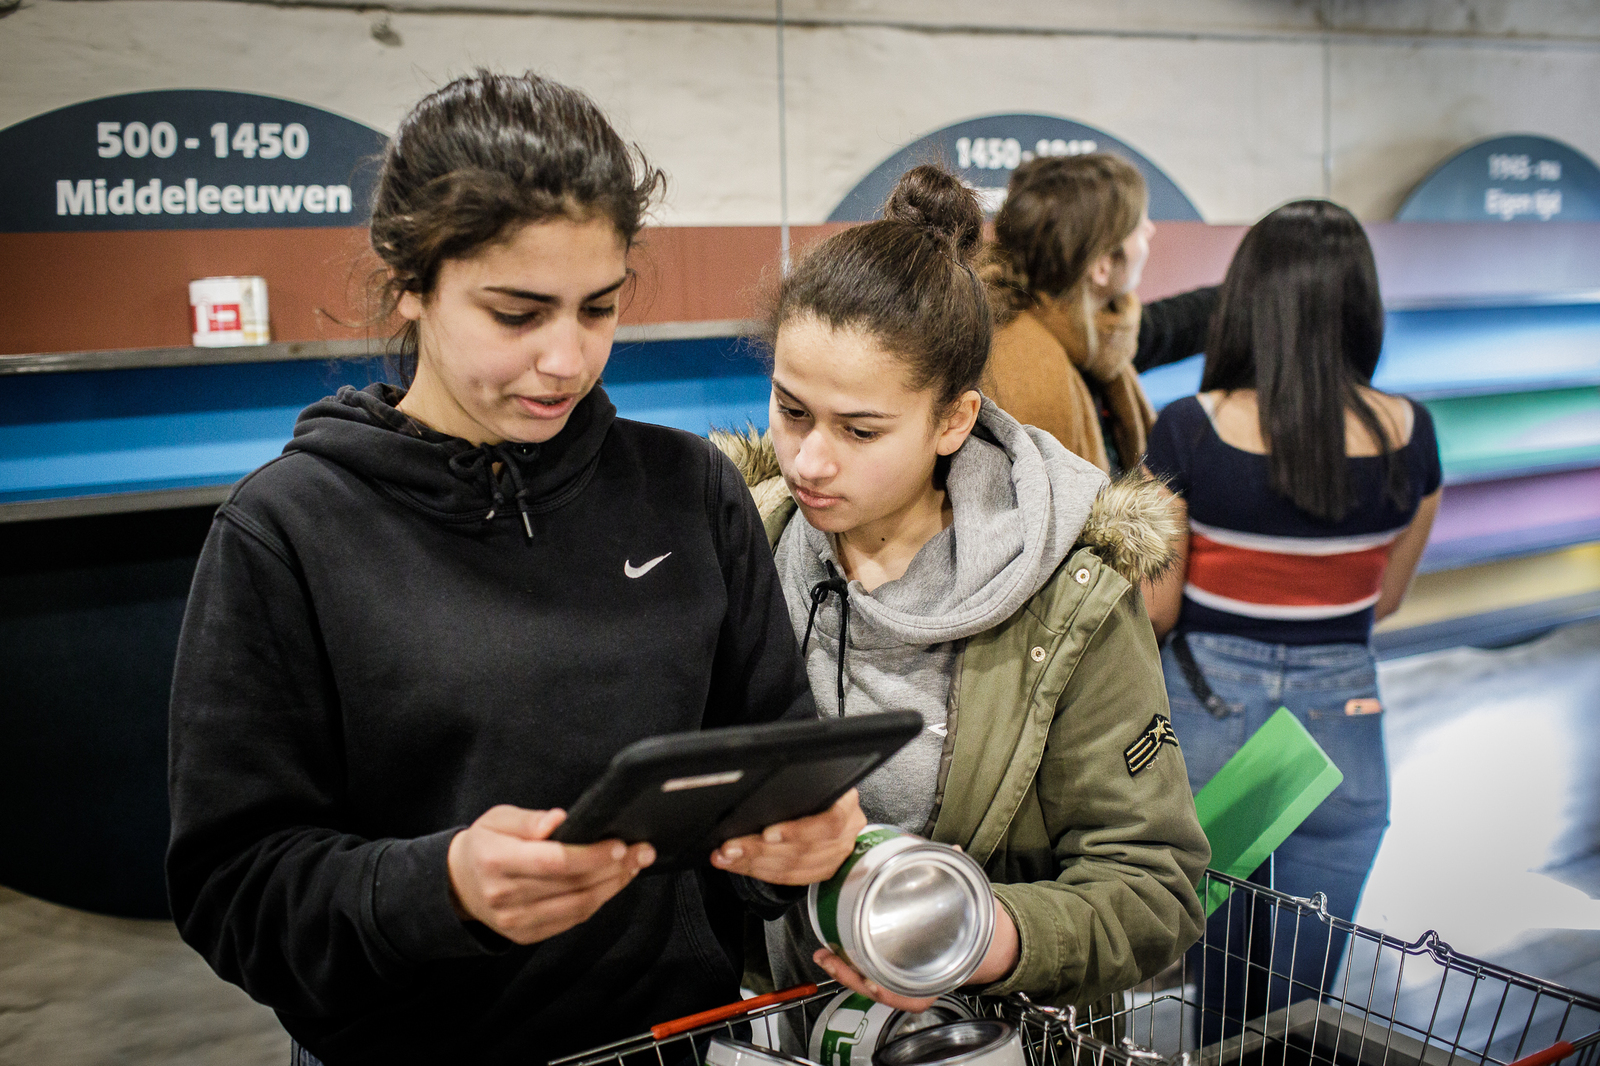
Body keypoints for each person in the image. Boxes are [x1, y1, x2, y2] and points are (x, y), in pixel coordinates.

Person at [165, 71, 864, 1066]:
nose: (567, 359)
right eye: (517, 313)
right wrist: (440, 887)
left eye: (598, 309)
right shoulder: (285, 532)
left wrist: (793, 845)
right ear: (411, 283)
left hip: (676, 1042)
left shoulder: (689, 490)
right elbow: (234, 890)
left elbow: (767, 770)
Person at [714, 164, 1211, 1023]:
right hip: (787, 1027)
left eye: (860, 429)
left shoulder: (1070, 595)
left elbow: (1152, 889)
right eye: (792, 413)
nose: (809, 461)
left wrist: (975, 938)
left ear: (954, 420)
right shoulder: (741, 545)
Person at [1140, 199, 1443, 1036]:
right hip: (1344, 727)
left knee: (1221, 1000)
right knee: (1302, 1015)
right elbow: (1385, 598)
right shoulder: (1412, 432)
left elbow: (1156, 609)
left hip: (1211, 725)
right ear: (1361, 304)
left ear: (1248, 300)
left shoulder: (1189, 429)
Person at [981, 152, 1217, 474]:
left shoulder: (1097, 334)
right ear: (1102, 267)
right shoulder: (1024, 378)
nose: (1149, 230)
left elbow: (1175, 323)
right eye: (1137, 226)